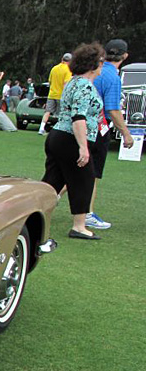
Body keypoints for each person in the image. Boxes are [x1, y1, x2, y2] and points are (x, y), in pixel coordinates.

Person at [41, 43, 106, 239]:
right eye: (101, 63)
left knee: (52, 182)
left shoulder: (73, 82)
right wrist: (83, 147)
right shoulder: (84, 86)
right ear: (93, 65)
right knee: (83, 180)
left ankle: (32, 215)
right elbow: (78, 118)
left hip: (58, 136)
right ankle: (79, 226)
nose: (102, 67)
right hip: (70, 138)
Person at [86, 38, 136, 230]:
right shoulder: (113, 77)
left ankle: (51, 198)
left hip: (83, 125)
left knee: (77, 170)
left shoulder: (94, 71)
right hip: (99, 127)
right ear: (125, 56)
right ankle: (87, 213)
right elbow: (113, 110)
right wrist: (126, 133)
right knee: (92, 174)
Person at [40, 52, 71, 133]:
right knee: (61, 114)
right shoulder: (68, 70)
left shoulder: (54, 68)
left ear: (62, 59)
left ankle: (41, 128)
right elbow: (66, 84)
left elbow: (50, 81)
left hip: (51, 94)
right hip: (60, 96)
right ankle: (58, 130)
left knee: (47, 112)